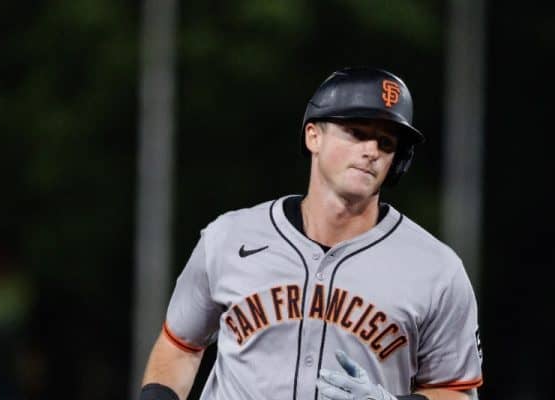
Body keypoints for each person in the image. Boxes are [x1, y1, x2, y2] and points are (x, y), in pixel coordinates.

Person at [139, 67, 483, 400]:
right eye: (356, 133)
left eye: (386, 142)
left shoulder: (436, 270)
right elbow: (180, 345)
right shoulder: (229, 238)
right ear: (313, 136)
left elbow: (459, 390)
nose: (371, 151)